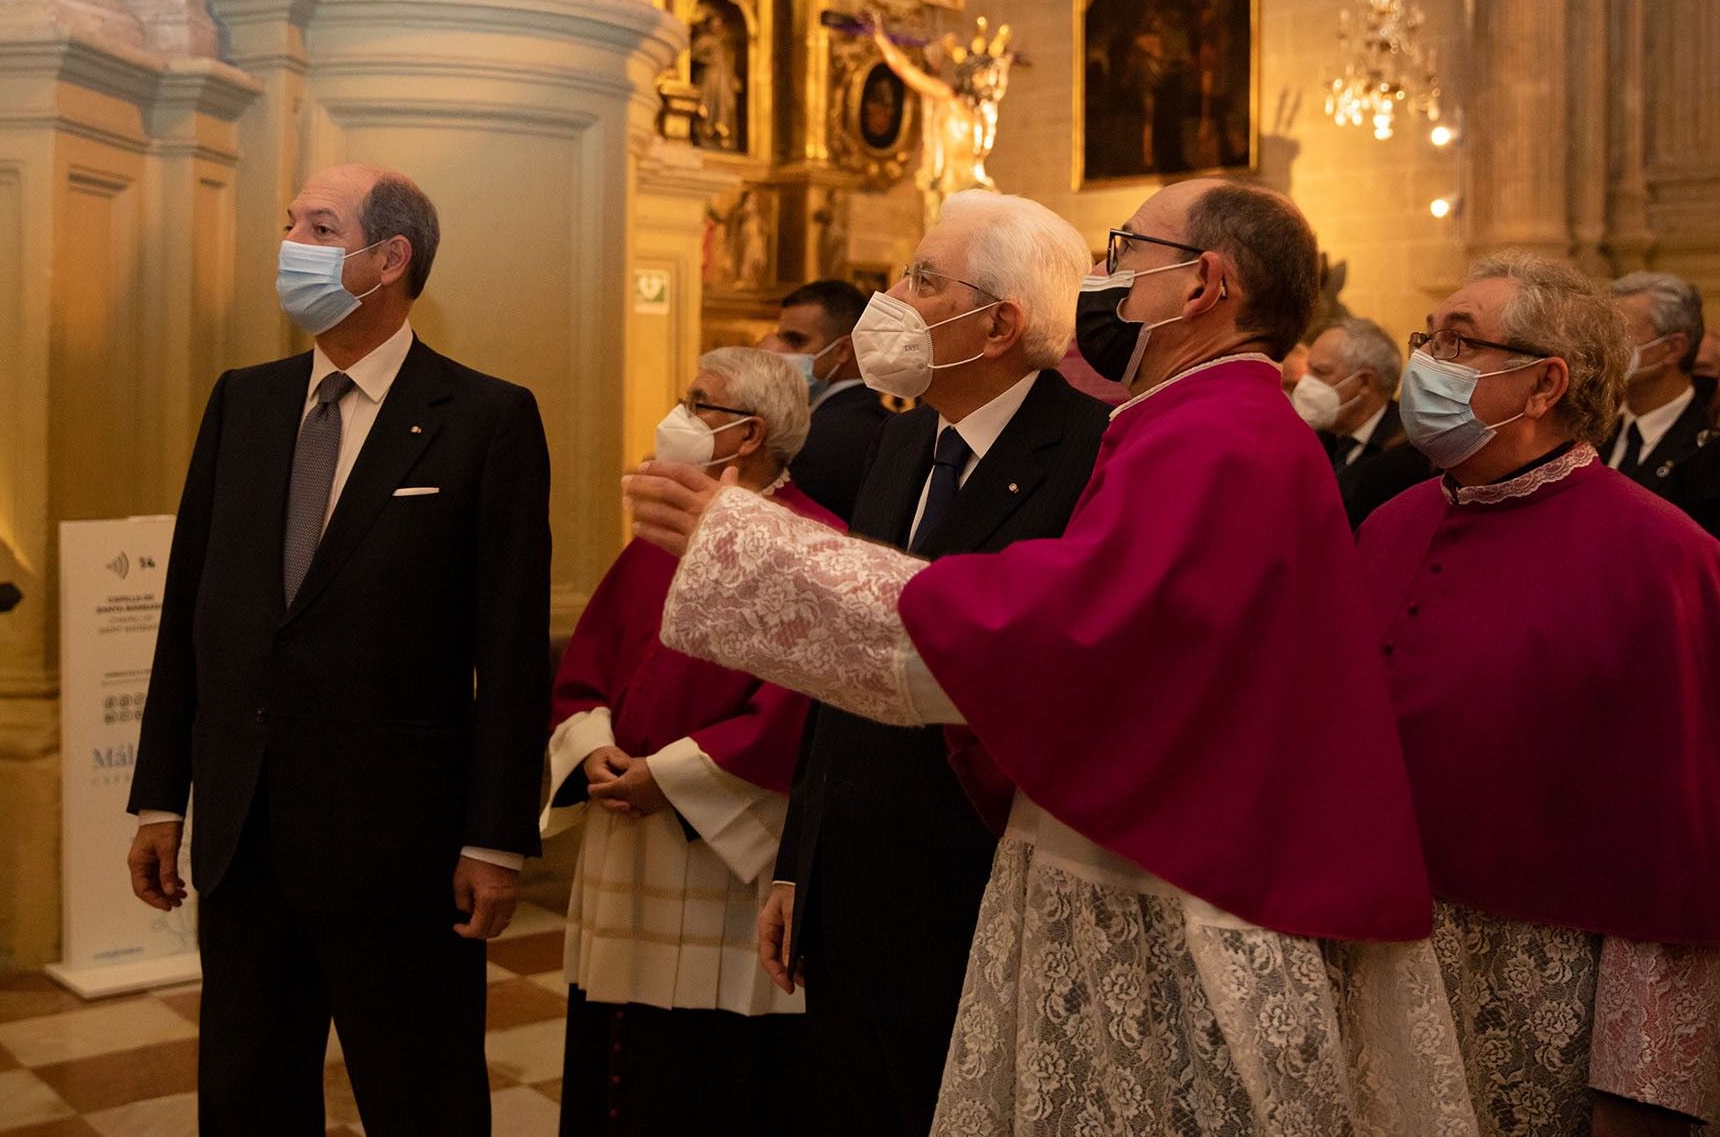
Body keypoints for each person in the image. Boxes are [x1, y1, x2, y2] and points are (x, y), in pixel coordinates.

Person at [627, 179, 1473, 1134]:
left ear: (1205, 284)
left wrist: (758, 550)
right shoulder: (1191, 422)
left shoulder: (1221, 437)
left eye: (1122, 253)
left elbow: (1058, 629)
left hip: (1171, 889)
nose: (1100, 279)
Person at [126, 164, 552, 1136]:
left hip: (400, 844)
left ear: (388, 259)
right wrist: (161, 796)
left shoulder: (484, 418)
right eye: (290, 223)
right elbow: (192, 611)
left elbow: (510, 645)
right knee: (247, 1099)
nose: (290, 243)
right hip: (245, 835)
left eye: (317, 225)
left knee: (421, 1100)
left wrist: (494, 838)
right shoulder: (244, 402)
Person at [766, 193, 1108, 1137]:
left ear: (999, 322)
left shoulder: (1090, 453)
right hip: (852, 882)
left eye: (922, 278)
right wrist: (799, 863)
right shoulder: (905, 433)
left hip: (978, 889)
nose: (892, 298)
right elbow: (846, 654)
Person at [1358, 252, 1720, 1134]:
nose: (1428, 363)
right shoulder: (1389, 520)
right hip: (1370, 963)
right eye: (1429, 337)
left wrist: (1644, 1093)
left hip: (1538, 995)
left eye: (1461, 341)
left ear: (1546, 381)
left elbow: (1678, 851)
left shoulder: (1662, 557)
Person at [545, 347, 836, 1137]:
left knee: (699, 1074)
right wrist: (593, 746)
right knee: (612, 1051)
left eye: (696, 401)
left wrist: (665, 777)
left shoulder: (811, 539)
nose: (676, 416)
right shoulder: (665, 528)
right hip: (623, 832)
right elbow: (594, 661)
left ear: (749, 433)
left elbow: (796, 710)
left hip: (714, 848)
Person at [760, 279, 891, 522]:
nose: (782, 352)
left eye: (796, 340)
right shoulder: (884, 422)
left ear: (842, 350)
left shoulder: (812, 438)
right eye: (781, 339)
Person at [1293, 317, 1432, 528]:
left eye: (1320, 372)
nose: (1305, 383)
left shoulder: (1405, 455)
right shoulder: (1318, 440)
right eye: (1308, 370)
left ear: (1365, 383)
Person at [1605, 272, 1708, 498]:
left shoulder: (1707, 445)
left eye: (1620, 335)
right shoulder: (1593, 431)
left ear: (1672, 348)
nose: (1606, 348)